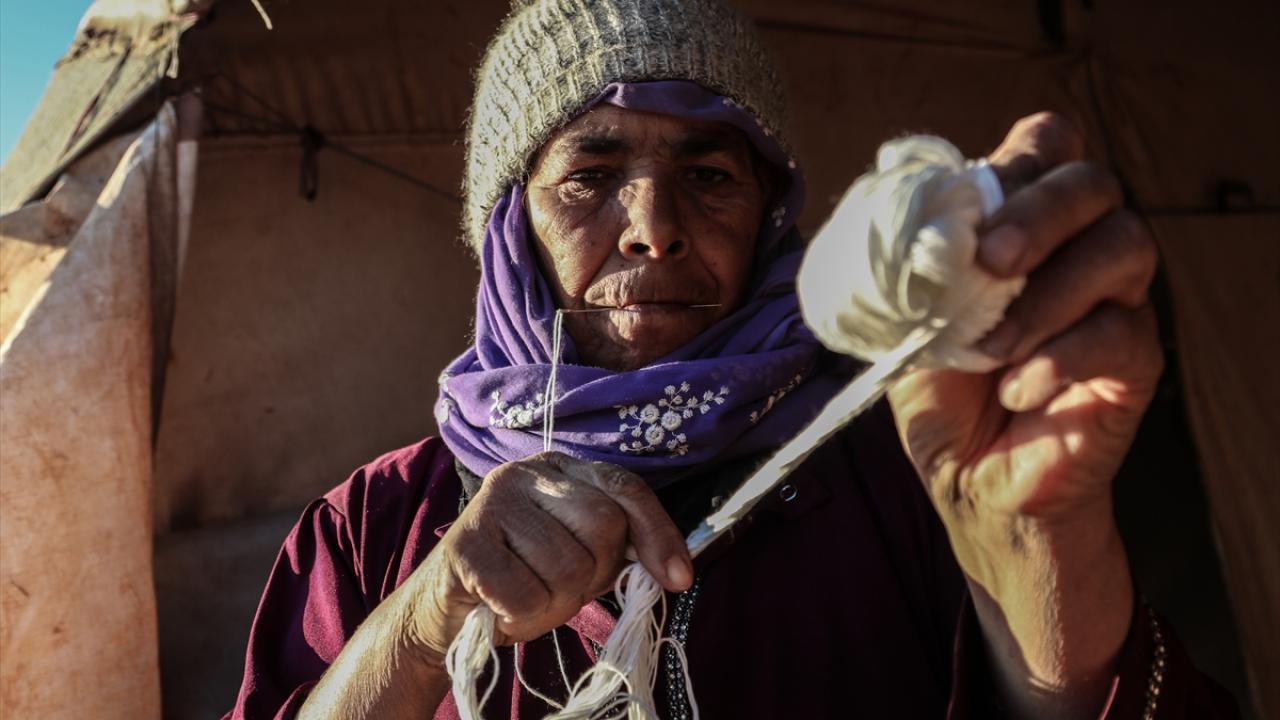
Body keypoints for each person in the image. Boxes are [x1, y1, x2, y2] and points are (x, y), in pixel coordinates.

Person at [226, 1, 1239, 718]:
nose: (652, 229)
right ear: (505, 229)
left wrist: (1041, 545)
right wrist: (418, 623)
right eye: (590, 171)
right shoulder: (371, 530)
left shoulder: (922, 466)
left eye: (708, 173)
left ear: (769, 219)